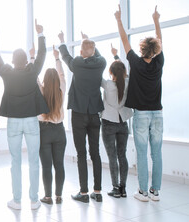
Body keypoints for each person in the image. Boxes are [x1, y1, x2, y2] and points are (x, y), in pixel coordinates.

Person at [0, 19, 49, 210]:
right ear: (26, 61)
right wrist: (40, 34)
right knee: (34, 160)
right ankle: (34, 200)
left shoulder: (6, 72)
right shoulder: (32, 71)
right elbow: (41, 54)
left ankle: (16, 200)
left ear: (12, 61)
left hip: (14, 123)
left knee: (15, 161)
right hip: (32, 121)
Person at [115, 5, 164, 202]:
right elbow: (159, 41)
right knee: (157, 154)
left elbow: (125, 40)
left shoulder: (135, 62)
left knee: (142, 153)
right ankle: (155, 192)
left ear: (142, 49)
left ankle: (143, 192)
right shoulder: (159, 62)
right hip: (158, 114)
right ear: (156, 51)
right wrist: (156, 20)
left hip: (142, 114)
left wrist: (119, 19)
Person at [58, 31, 106, 203]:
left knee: (81, 154)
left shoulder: (77, 63)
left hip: (79, 113)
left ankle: (84, 193)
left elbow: (65, 56)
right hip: (94, 114)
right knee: (96, 153)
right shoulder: (101, 63)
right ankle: (98, 192)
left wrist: (63, 41)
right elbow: (97, 55)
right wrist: (89, 43)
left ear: (80, 52)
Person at [31, 45, 66, 205]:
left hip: (43, 131)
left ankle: (48, 197)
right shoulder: (61, 90)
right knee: (59, 165)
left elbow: (34, 77)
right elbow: (62, 75)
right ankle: (59, 196)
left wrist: (32, 58)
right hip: (59, 131)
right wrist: (57, 58)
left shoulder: (41, 90)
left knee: (46, 166)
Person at [101, 44, 133, 198]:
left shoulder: (107, 85)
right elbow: (123, 72)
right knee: (122, 155)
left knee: (112, 156)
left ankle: (115, 188)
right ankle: (123, 188)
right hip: (123, 123)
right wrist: (115, 56)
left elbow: (96, 72)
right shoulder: (127, 83)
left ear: (111, 72)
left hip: (108, 122)